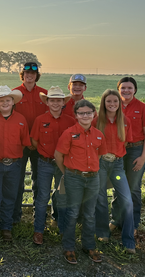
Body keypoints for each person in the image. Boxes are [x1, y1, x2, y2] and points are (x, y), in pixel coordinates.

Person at [54, 100, 107, 264]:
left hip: (92, 179)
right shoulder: (69, 133)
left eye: (89, 113)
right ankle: (69, 247)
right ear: (76, 115)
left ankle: (89, 245)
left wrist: (89, 169)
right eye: (81, 113)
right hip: (74, 177)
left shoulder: (98, 134)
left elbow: (99, 154)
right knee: (72, 213)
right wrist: (69, 173)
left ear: (94, 114)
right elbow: (58, 156)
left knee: (90, 214)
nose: (85, 116)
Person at [0, 85, 30, 242]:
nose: (4, 103)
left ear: (13, 101)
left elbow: (24, 142)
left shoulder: (21, 120)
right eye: (1, 100)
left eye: (8, 100)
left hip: (14, 164)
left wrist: (13, 155)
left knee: (10, 196)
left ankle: (6, 226)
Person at [31, 86, 75, 244]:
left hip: (63, 165)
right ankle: (38, 230)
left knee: (62, 196)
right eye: (52, 100)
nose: (55, 103)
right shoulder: (40, 120)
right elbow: (34, 141)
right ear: (47, 102)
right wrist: (45, 153)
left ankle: (63, 229)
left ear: (63, 102)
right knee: (42, 197)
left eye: (58, 100)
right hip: (45, 164)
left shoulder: (71, 121)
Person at [93, 89, 135, 253]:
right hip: (101, 163)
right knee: (101, 198)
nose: (112, 104)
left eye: (115, 101)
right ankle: (103, 232)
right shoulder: (96, 121)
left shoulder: (125, 121)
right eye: (108, 101)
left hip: (117, 165)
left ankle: (128, 240)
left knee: (127, 200)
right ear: (103, 103)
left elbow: (125, 143)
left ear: (119, 103)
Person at [114, 77, 145, 233]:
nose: (126, 90)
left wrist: (143, 157)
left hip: (135, 151)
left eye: (129, 88)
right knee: (117, 184)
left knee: (133, 188)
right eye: (123, 88)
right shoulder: (113, 106)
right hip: (118, 152)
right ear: (118, 89)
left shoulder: (143, 108)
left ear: (135, 90)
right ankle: (116, 220)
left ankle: (132, 224)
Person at [12, 62, 48, 224]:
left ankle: (38, 217)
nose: (29, 75)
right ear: (22, 75)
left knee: (38, 181)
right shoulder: (15, 93)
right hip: (20, 144)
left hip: (39, 145)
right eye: (26, 72)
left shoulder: (44, 94)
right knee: (17, 181)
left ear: (37, 75)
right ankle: (15, 217)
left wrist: (35, 141)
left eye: (33, 73)